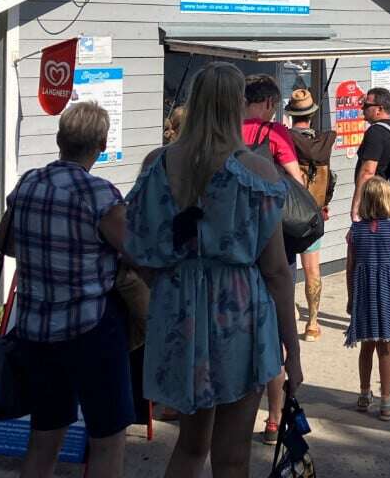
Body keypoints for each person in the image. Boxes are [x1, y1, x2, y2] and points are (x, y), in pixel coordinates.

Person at [125, 62, 301, 476]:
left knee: (189, 446)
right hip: (237, 313)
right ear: (237, 106)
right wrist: (291, 349)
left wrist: (170, 280)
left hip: (177, 310)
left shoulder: (157, 164)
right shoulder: (256, 172)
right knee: (232, 454)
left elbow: (136, 246)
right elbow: (276, 270)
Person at [0, 102, 132, 478]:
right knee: (107, 439)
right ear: (101, 145)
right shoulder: (101, 195)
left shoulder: (28, 184)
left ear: (59, 139)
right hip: (91, 330)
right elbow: (135, 250)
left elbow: (4, 244)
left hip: (36, 331)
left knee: (44, 435)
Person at [241, 73, 303, 442]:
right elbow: (294, 182)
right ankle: (274, 417)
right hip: (271, 238)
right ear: (267, 105)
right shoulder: (274, 134)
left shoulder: (229, 134)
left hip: (235, 246)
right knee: (276, 328)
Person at [345, 176, 390, 422]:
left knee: (365, 346)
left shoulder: (355, 231)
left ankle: (363, 395)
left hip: (363, 293)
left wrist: (351, 297)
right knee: (385, 347)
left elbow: (350, 268)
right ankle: (386, 401)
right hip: (388, 293)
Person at [285, 87, 336, 343]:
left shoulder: (283, 140)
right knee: (312, 270)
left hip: (286, 215)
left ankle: (289, 311)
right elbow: (330, 179)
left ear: (291, 115)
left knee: (284, 267)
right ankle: (313, 323)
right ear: (312, 115)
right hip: (313, 214)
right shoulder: (323, 142)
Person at [351, 87, 390, 226]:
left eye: (366, 106)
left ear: (379, 109)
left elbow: (367, 172)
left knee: (369, 246)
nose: (362, 109)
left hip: (376, 203)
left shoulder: (375, 132)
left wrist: (356, 206)